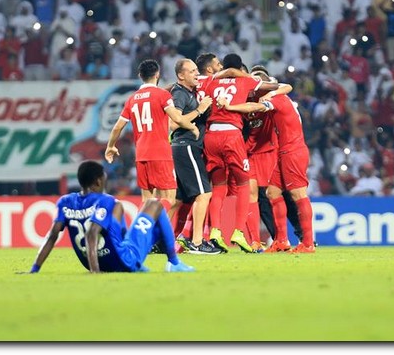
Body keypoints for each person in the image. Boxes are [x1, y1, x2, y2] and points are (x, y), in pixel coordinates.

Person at [26, 160, 195, 274]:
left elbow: (52, 235)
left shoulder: (65, 201)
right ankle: (174, 263)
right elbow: (92, 234)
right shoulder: (104, 201)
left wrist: (35, 268)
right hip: (123, 260)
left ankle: (143, 261)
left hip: (94, 260)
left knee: (119, 210)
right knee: (154, 204)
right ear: (99, 181)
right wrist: (95, 272)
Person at [216, 69, 315, 253]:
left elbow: (257, 108)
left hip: (293, 151)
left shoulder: (274, 99)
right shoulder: (278, 96)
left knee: (298, 195)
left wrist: (230, 107)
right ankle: (282, 241)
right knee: (273, 193)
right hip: (284, 151)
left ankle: (308, 243)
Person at [202, 53, 281, 253]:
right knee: (244, 183)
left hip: (211, 136)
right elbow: (275, 86)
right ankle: (238, 231)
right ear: (239, 68)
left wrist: (223, 73)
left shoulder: (210, 82)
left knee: (218, 186)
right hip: (231, 134)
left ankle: (215, 231)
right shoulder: (245, 81)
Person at [105, 59, 200, 211]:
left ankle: (143, 231)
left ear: (140, 75)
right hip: (160, 152)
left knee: (146, 199)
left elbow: (117, 128)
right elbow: (176, 118)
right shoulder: (162, 95)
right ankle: (150, 222)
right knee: (169, 198)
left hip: (141, 153)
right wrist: (193, 127)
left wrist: (110, 146)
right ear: (157, 74)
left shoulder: (132, 99)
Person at [168, 58, 219, 254]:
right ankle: (197, 243)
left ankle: (152, 239)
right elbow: (174, 123)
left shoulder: (189, 93)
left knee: (177, 200)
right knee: (204, 194)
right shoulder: (180, 94)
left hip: (184, 147)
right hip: (186, 146)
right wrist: (200, 109)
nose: (197, 74)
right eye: (192, 71)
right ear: (181, 75)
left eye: (197, 70)